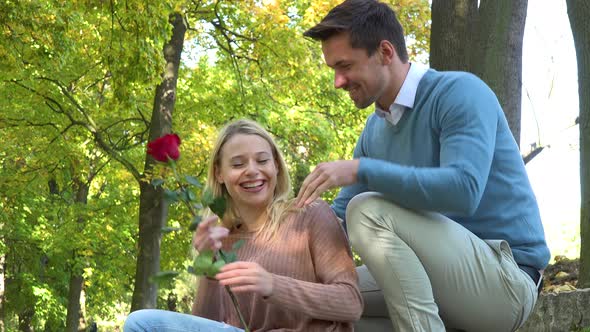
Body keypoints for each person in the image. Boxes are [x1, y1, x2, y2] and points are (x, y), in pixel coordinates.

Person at [296, 0, 550, 331]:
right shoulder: (376, 130)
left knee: (368, 210)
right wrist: (270, 234)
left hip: (504, 282)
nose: (338, 81)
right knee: (316, 303)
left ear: (385, 52)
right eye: (333, 69)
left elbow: (463, 190)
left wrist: (361, 170)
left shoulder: (460, 93)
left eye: (345, 66)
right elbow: (337, 221)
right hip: (433, 283)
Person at [124, 119, 362, 332]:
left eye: (262, 160)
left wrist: (272, 285)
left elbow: (351, 303)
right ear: (219, 174)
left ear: (276, 166)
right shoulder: (222, 237)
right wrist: (209, 263)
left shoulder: (310, 214)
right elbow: (207, 323)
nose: (252, 171)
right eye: (238, 164)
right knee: (140, 322)